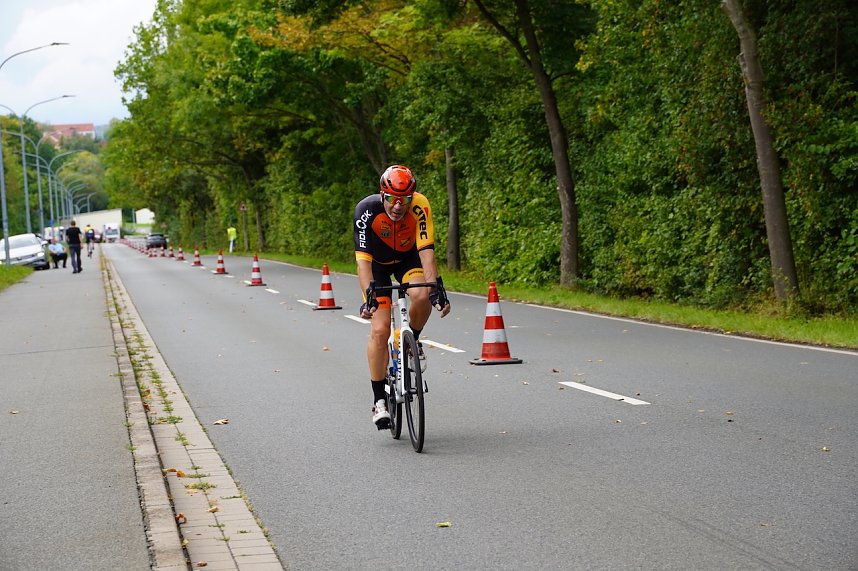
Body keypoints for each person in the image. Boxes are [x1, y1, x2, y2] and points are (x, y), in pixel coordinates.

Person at [354, 165, 451, 430]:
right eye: (392, 199)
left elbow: (427, 252)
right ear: (382, 195)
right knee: (380, 329)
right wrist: (369, 298)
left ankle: (410, 340)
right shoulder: (366, 210)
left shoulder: (420, 206)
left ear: (412, 196)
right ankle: (379, 401)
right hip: (377, 266)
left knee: (422, 294)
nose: (398, 206)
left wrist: (436, 290)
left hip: (408, 259)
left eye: (405, 199)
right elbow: (363, 264)